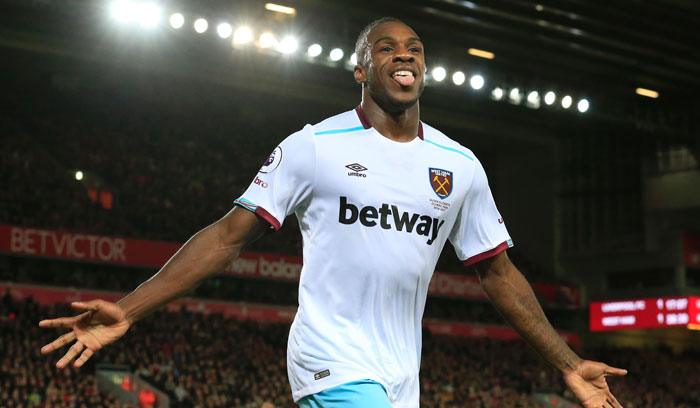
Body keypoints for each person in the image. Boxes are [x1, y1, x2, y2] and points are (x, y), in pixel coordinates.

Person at [39, 17, 627, 408]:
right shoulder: (314, 146)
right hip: (331, 361)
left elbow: (499, 275)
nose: (405, 56)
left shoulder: (460, 166)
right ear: (361, 70)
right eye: (387, 48)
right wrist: (128, 310)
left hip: (402, 376)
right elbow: (227, 237)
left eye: (415, 50)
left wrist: (568, 363)